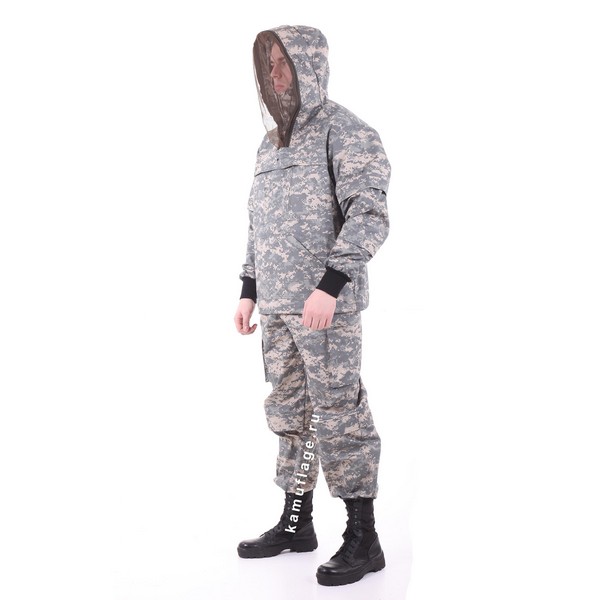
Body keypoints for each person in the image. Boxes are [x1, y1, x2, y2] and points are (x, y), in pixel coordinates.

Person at [233, 25, 391, 587]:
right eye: (268, 63)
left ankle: (364, 536)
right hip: (277, 309)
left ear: (308, 63)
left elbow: (369, 214)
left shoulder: (346, 132)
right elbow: (258, 223)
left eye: (283, 61)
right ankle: (297, 521)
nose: (274, 72)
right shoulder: (270, 142)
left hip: (327, 308)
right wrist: (248, 288)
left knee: (338, 413)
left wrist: (331, 284)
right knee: (290, 413)